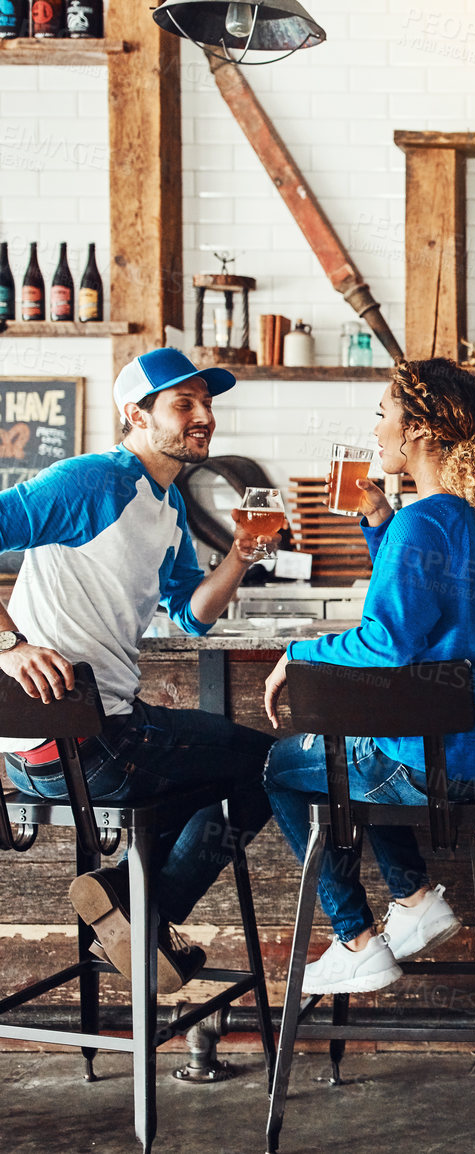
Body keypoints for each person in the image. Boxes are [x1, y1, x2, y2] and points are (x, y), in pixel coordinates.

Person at [0, 348, 280, 994]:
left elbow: (193, 616)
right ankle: (140, 908)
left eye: (207, 404)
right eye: (184, 405)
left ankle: (128, 898)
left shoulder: (170, 509)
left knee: (217, 773)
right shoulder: (93, 481)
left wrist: (238, 557)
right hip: (82, 744)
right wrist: (9, 646)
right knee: (267, 766)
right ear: (136, 414)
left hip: (80, 744)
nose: (203, 417)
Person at [261, 358, 475, 995]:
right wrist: (380, 524)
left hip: (433, 763)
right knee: (360, 758)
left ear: (418, 431)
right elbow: (428, 612)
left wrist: (303, 653)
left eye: (384, 413)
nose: (378, 427)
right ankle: (412, 900)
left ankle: (355, 938)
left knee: (280, 767)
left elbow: (387, 644)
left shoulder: (424, 521)